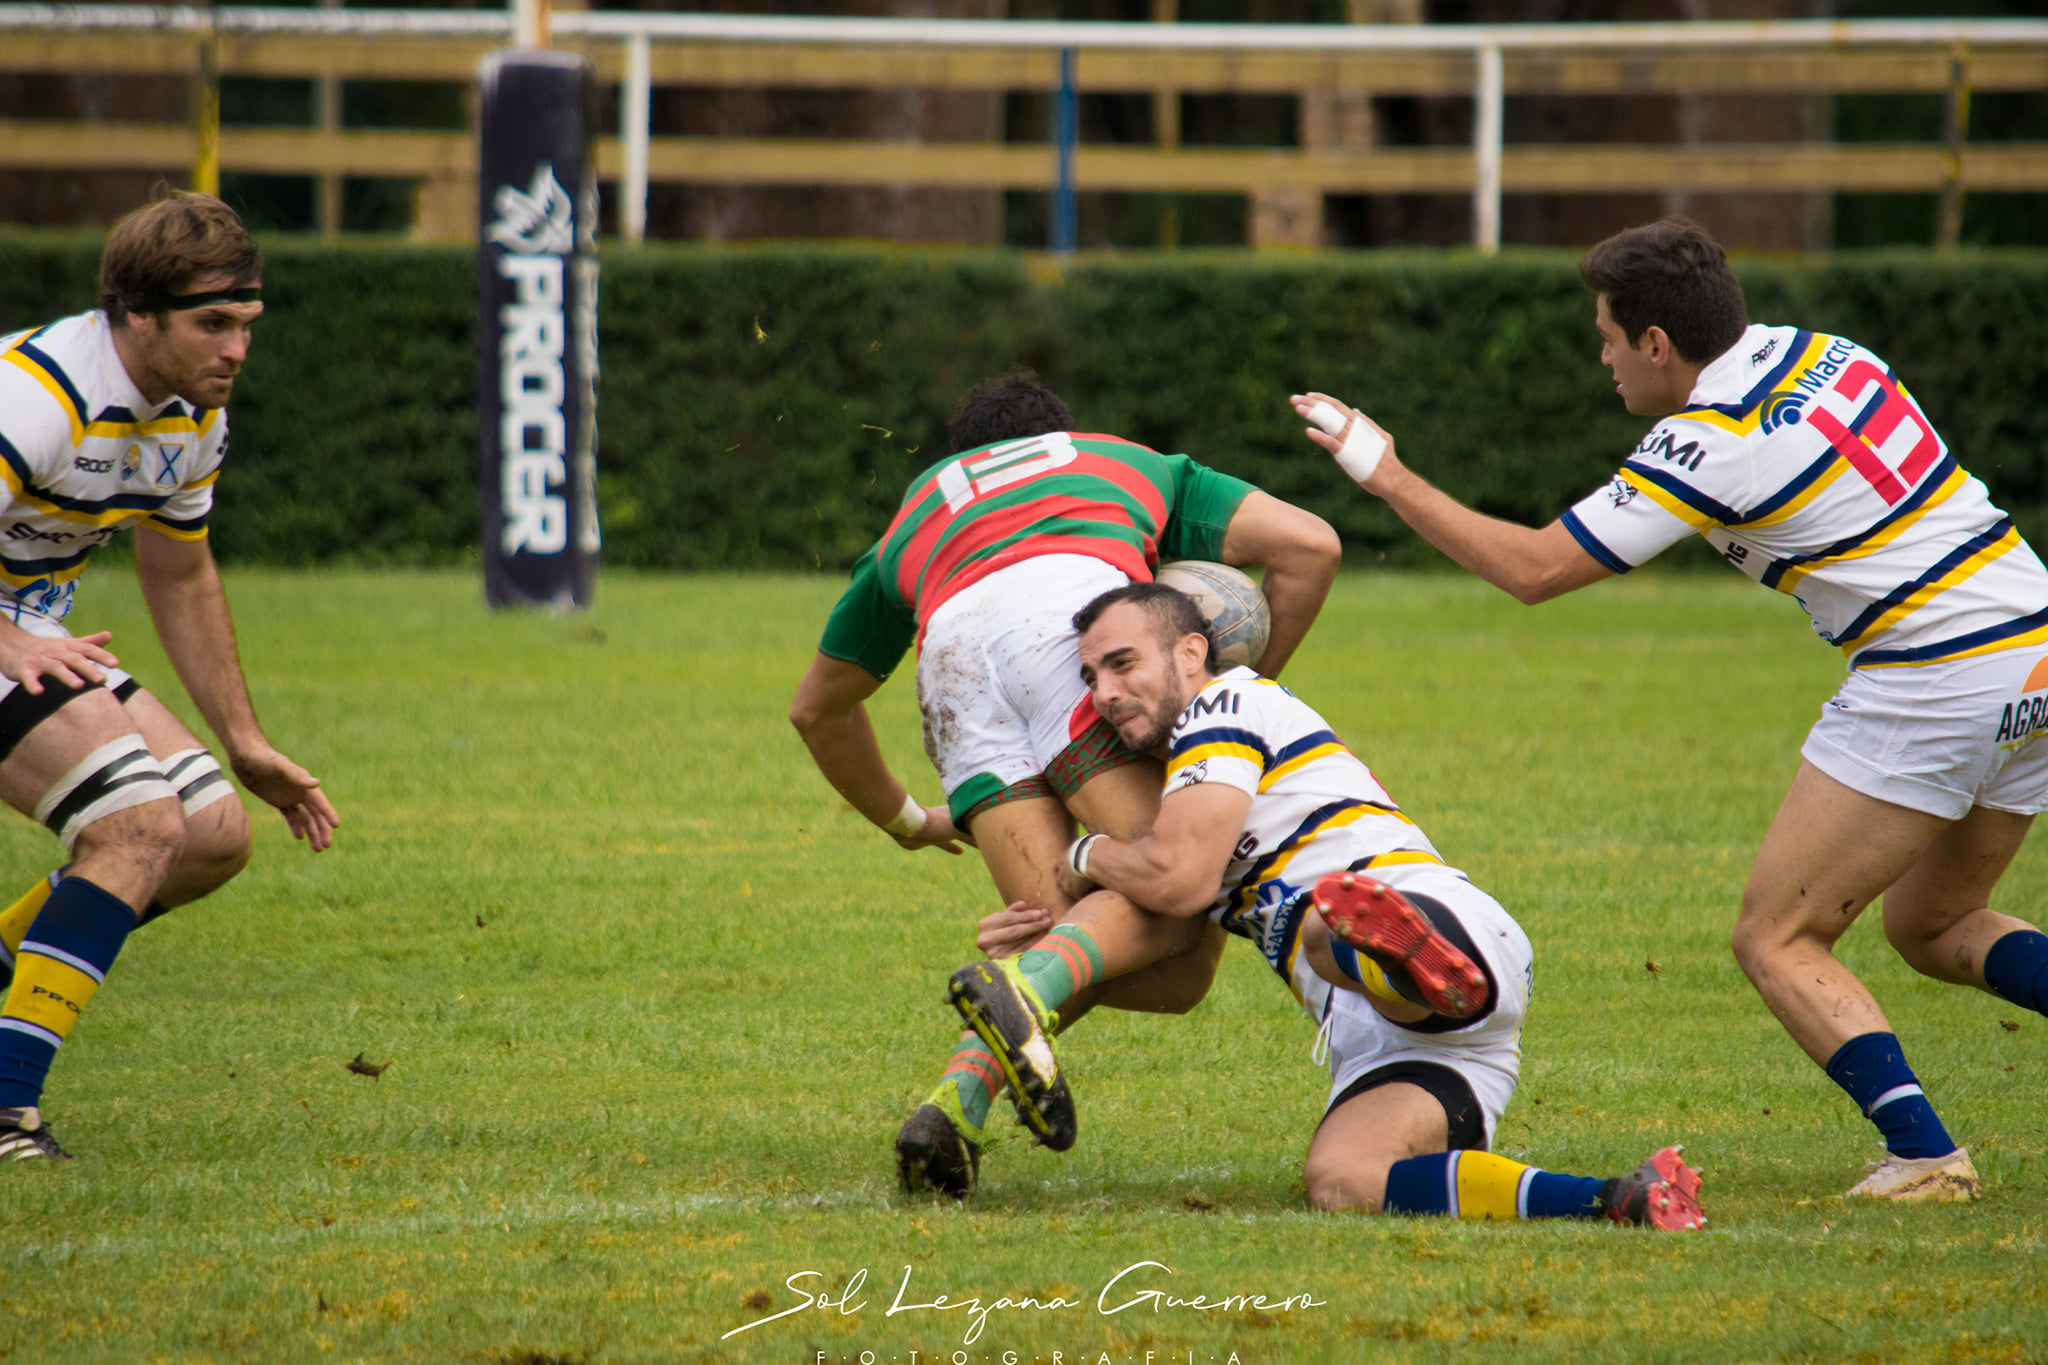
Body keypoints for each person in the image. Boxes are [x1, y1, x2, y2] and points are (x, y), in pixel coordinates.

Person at [1289, 215, 2048, 1202]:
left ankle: (1924, 1157)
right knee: (1934, 923)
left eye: (1608, 338)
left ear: (1656, 342)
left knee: (1774, 935)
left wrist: (1383, 473)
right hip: (2032, 643)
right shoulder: (1824, 352)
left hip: (1935, 673)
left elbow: (1534, 569)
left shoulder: (1708, 443)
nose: (1602, 358)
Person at [933, 581, 1703, 1227]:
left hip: (1431, 913)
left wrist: (1081, 856)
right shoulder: (1187, 791)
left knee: (1323, 928)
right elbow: (1174, 964)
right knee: (1344, 1178)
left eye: (1122, 663)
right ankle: (1618, 1198)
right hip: (1413, 1036)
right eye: (1091, 675)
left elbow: (1179, 879)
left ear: (1192, 652)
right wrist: (1046, 948)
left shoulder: (1226, 704)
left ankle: (1397, 951)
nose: (1103, 693)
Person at [788, 373, 1340, 1193]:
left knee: (1080, 940)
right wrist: (1218, 707)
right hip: (1073, 627)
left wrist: (911, 823)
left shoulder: (915, 519)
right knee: (1179, 908)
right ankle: (1013, 1005)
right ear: (1062, 433)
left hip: (952, 660)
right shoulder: (1122, 461)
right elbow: (1311, 546)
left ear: (961, 459)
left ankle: (955, 1104)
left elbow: (817, 711)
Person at [0, 191, 339, 1162]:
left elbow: (181, 574)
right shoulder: (38, 397)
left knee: (210, 833)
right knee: (138, 824)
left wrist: (245, 742)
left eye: (247, 323)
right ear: (136, 315)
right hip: (11, 638)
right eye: (213, 324)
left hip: (27, 632)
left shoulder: (190, 418)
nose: (237, 349)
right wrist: (14, 647)